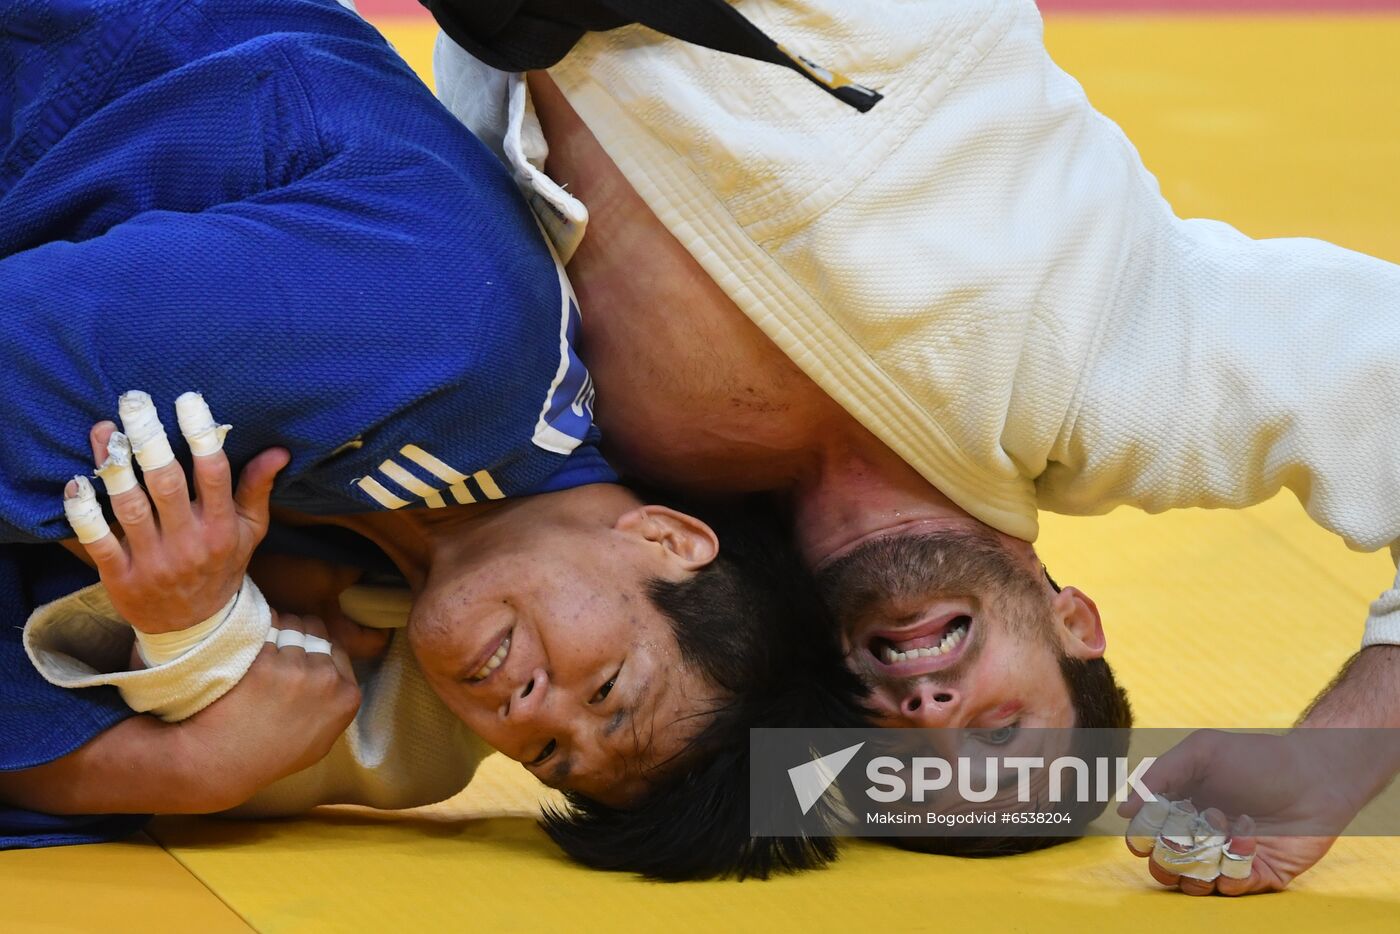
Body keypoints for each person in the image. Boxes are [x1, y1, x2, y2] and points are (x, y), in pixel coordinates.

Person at [421, 0, 1400, 892]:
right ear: (1075, 625)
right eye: (995, 727)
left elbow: (435, 628)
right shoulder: (1114, 373)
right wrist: (1339, 752)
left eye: (911, 755)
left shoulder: (678, 553)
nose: (930, 708)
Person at [0, 0, 868, 880]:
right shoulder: (452, 345)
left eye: (546, 755)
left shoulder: (383, 557)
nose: (530, 712)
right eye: (604, 689)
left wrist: (186, 645)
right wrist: (182, 767)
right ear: (666, 539)